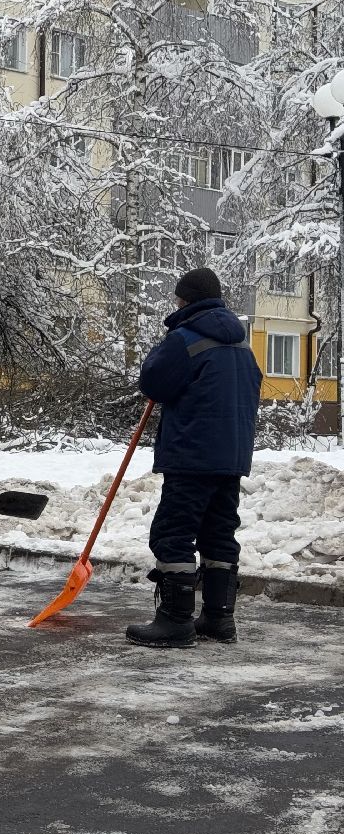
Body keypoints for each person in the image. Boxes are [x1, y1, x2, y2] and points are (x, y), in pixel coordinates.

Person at [128, 267, 262, 649]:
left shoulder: (185, 339)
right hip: (231, 457)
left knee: (173, 533)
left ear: (185, 300)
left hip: (191, 456)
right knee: (219, 533)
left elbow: (153, 382)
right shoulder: (242, 345)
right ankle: (219, 619)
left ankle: (175, 621)